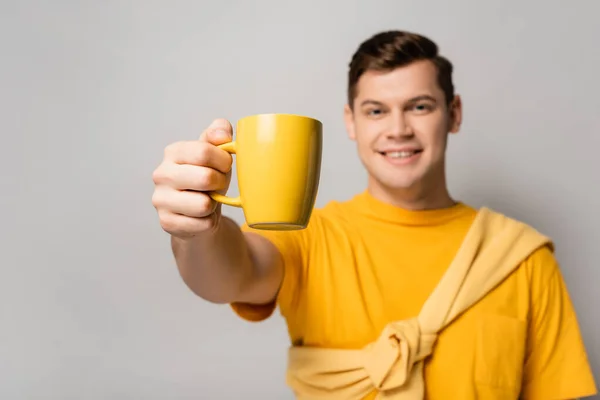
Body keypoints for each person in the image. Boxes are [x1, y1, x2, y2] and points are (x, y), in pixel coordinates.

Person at [151, 30, 597, 399]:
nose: (398, 129)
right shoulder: (310, 236)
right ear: (351, 122)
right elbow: (230, 273)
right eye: (376, 111)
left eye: (420, 106)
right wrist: (195, 232)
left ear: (453, 114)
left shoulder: (522, 256)